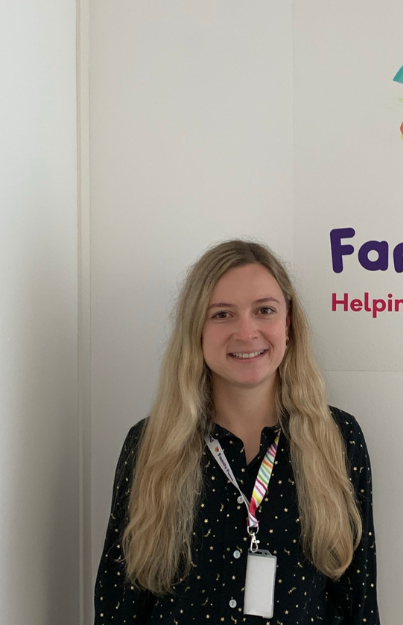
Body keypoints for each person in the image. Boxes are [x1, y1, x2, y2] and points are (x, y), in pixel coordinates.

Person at [95, 240, 378, 624]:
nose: (247, 333)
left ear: (288, 323)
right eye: (223, 314)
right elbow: (118, 605)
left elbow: (358, 602)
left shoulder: (338, 438)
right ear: (196, 329)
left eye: (264, 310)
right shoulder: (149, 445)